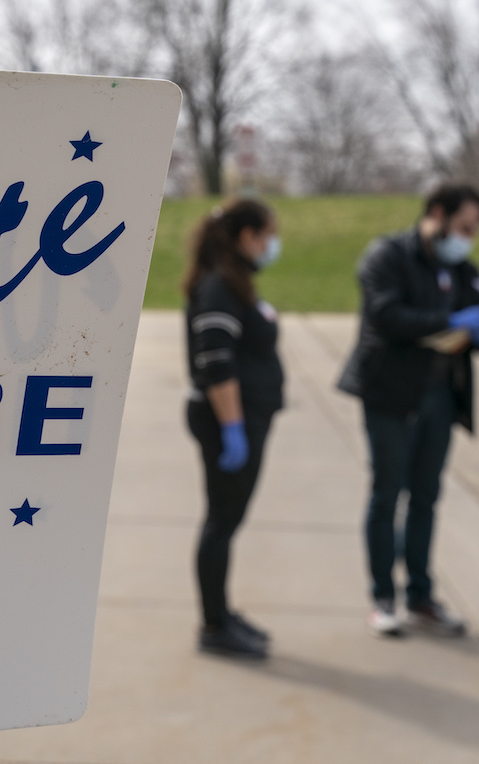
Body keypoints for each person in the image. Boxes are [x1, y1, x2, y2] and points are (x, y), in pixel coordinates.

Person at [337, 184, 479, 638]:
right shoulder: (387, 256)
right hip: (391, 394)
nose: (468, 239)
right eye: (464, 227)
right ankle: (382, 596)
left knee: (426, 497)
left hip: (440, 397)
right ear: (437, 213)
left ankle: (422, 595)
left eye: (475, 232)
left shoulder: (463, 269)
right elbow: (386, 314)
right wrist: (448, 322)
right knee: (387, 493)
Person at [184, 197, 284, 659]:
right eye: (268, 234)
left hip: (243, 418)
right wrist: (234, 428)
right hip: (227, 421)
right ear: (248, 236)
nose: (272, 243)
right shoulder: (220, 285)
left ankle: (221, 612)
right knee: (221, 522)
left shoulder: (235, 282)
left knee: (227, 521)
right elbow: (215, 362)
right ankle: (214, 624)